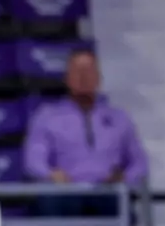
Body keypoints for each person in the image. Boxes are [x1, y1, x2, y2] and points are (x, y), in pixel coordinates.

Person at [23, 50, 149, 188]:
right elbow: (33, 161)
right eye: (77, 71)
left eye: (88, 71)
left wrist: (125, 178)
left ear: (98, 78)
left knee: (120, 200)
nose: (83, 77)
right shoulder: (47, 116)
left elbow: (139, 163)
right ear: (67, 78)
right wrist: (50, 174)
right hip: (65, 192)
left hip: (108, 192)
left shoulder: (119, 118)